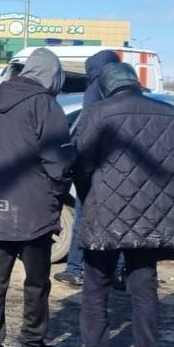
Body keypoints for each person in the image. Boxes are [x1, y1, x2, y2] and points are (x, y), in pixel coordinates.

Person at [73, 62, 174, 347]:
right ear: (136, 83)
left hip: (104, 214)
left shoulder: (98, 113)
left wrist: (94, 192)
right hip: (152, 218)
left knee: (96, 284)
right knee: (144, 288)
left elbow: (81, 162)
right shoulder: (169, 112)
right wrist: (158, 188)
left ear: (107, 85)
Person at [0, 47, 74, 347]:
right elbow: (59, 163)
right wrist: (57, 196)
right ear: (50, 76)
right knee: (36, 284)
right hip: (33, 212)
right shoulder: (45, 105)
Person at [54, 48, 121, 288]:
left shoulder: (93, 91)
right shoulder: (119, 90)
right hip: (120, 170)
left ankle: (75, 268)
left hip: (93, 169)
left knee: (83, 218)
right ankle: (119, 271)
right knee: (119, 221)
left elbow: (86, 130)